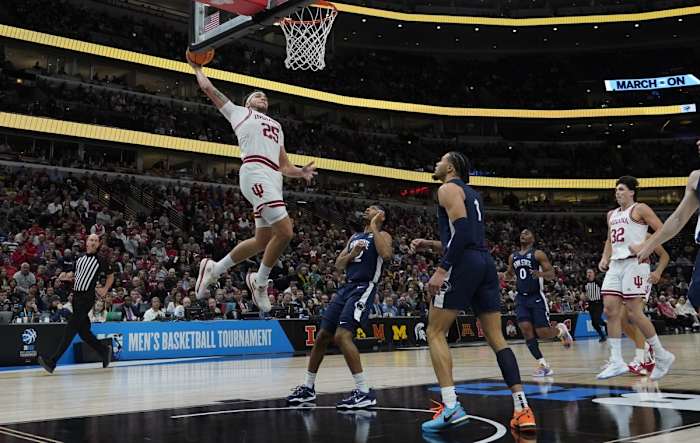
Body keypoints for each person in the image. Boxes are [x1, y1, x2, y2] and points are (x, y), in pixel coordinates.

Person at [410, 152, 535, 433]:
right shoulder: (473, 195)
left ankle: (451, 405)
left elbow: (463, 233)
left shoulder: (446, 188)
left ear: (451, 167)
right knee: (497, 338)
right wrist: (431, 244)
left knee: (435, 331)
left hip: (464, 264)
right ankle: (522, 408)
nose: (435, 164)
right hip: (484, 263)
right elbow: (465, 237)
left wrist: (442, 269)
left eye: (439, 161)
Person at [189, 62, 317, 312]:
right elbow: (209, 89)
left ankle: (215, 268)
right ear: (248, 103)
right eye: (257, 94)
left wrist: (300, 172)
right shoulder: (239, 113)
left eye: (265, 95)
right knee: (286, 232)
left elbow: (284, 165)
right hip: (255, 171)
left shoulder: (277, 127)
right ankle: (259, 283)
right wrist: (197, 68)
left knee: (263, 239)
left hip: (273, 177)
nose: (262, 96)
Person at [287, 205, 392, 409]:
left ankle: (364, 392)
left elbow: (386, 254)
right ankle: (308, 388)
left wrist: (374, 226)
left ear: (381, 215)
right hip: (346, 288)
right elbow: (338, 265)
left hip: (365, 287)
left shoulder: (383, 235)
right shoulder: (354, 237)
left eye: (371, 209)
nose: (366, 209)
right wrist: (352, 254)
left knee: (342, 336)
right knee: (322, 336)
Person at [597, 176, 674, 381]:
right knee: (610, 310)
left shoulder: (640, 209)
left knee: (634, 313)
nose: (617, 192)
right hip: (616, 264)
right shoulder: (611, 214)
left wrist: (645, 246)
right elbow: (609, 238)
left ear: (632, 192)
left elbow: (663, 229)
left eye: (621, 189)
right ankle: (616, 361)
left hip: (635, 264)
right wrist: (605, 257)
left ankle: (660, 354)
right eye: (616, 189)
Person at [634, 140, 700, 310]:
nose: (698, 142)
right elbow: (678, 219)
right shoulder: (696, 178)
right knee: (696, 295)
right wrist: (651, 245)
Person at [37, 234, 113, 373]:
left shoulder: (100, 260)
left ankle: (52, 361)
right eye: (91, 240)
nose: (93, 242)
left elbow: (110, 275)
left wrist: (105, 288)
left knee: (70, 328)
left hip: (87, 297)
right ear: (86, 242)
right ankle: (104, 351)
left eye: (96, 241)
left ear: (99, 244)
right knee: (84, 332)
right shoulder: (79, 258)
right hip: (76, 297)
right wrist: (67, 276)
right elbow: (75, 274)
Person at [504, 229, 573, 377]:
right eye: (521, 233)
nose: (523, 234)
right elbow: (509, 275)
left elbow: (552, 274)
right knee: (526, 330)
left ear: (532, 239)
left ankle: (561, 330)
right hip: (521, 298)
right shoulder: (513, 257)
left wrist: (540, 274)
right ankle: (543, 365)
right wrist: (499, 276)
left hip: (536, 297)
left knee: (542, 333)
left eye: (527, 233)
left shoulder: (538, 254)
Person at [583, 269, 607, 342]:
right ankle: (602, 335)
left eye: (590, 272)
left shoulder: (598, 282)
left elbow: (604, 291)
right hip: (591, 304)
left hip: (599, 303)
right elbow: (583, 293)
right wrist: (582, 298)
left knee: (596, 319)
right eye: (587, 272)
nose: (589, 274)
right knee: (594, 323)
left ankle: (605, 325)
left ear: (594, 274)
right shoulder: (585, 283)